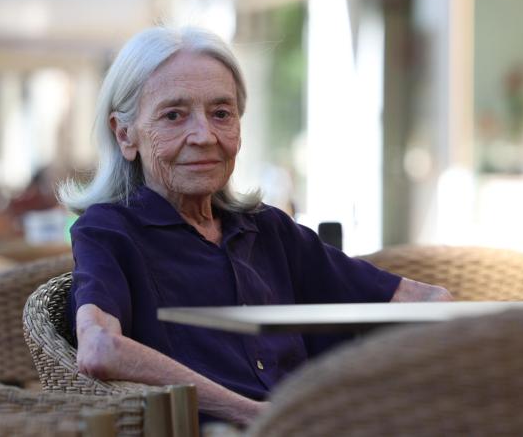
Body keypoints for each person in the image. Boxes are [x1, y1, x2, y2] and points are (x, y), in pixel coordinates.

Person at [61, 26, 452, 426]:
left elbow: (427, 301)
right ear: (125, 135)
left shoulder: (267, 228)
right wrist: (262, 417)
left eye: (221, 114)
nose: (204, 136)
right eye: (174, 115)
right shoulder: (109, 231)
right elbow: (100, 348)